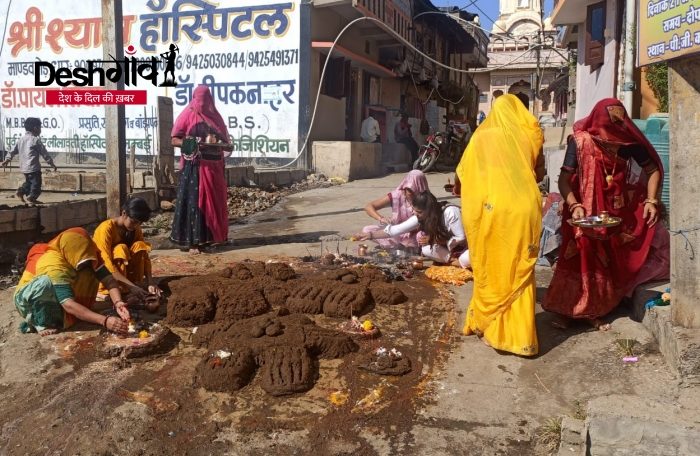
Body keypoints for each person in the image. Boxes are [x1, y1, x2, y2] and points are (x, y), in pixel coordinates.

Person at [543, 98, 670, 331]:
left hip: (614, 211)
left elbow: (652, 170)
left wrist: (652, 201)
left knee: (604, 260)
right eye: (607, 132)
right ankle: (567, 309)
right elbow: (564, 180)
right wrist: (574, 205)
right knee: (578, 258)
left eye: (615, 129)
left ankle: (595, 309)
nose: (611, 139)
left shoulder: (626, 141)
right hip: (581, 211)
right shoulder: (580, 142)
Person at [456, 94, 545, 356]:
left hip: (493, 210)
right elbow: (539, 174)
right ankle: (522, 338)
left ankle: (493, 329)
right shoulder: (530, 131)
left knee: (493, 266)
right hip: (525, 208)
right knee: (520, 269)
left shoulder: (481, 137)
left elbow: (462, 176)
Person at [13, 228, 131, 336]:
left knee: (90, 270)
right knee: (45, 284)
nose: (85, 264)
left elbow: (109, 280)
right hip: (29, 300)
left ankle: (81, 312)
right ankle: (43, 322)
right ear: (71, 253)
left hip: (60, 294)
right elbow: (68, 304)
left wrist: (118, 303)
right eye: (82, 261)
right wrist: (104, 321)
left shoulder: (89, 253)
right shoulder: (54, 262)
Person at [170, 85, 232, 254]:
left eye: (206, 100)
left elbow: (225, 142)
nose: (202, 104)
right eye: (199, 100)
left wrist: (220, 142)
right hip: (195, 168)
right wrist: (193, 142)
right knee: (196, 203)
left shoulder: (216, 117)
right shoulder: (188, 114)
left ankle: (213, 238)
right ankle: (193, 241)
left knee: (215, 203)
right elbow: (175, 139)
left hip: (214, 169)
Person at [358, 190, 470, 268]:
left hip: (467, 245)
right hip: (449, 248)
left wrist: (436, 240)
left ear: (429, 210)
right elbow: (395, 230)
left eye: (419, 212)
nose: (415, 214)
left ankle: (459, 261)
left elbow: (461, 237)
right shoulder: (420, 216)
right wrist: (370, 235)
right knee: (426, 250)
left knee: (467, 258)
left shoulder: (450, 212)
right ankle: (453, 261)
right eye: (414, 210)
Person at [92, 197, 161, 300]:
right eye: (134, 222)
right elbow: (105, 264)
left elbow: (144, 257)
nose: (136, 225)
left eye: (139, 223)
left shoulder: (135, 228)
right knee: (121, 249)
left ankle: (132, 285)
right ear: (124, 214)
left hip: (125, 277)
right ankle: (107, 291)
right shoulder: (105, 229)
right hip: (105, 276)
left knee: (140, 245)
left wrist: (150, 282)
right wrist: (131, 287)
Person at [362, 170, 430, 249]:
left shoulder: (426, 200)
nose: (408, 193)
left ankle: (405, 246)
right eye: (407, 190)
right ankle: (400, 246)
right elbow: (368, 207)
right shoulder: (397, 195)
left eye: (412, 191)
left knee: (420, 236)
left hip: (412, 235)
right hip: (396, 231)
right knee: (367, 230)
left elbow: (431, 226)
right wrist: (381, 218)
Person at [1, 117, 57, 204]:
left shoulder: (20, 140)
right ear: (35, 128)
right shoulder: (35, 140)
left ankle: (21, 191)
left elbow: (12, 151)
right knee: (36, 185)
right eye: (40, 127)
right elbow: (44, 152)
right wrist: (51, 163)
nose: (40, 130)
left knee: (29, 183)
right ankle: (32, 197)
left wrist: (7, 159)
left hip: (24, 168)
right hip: (33, 168)